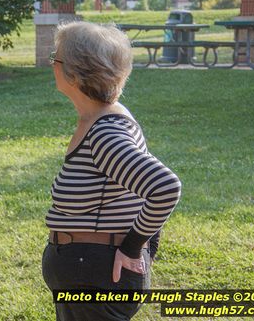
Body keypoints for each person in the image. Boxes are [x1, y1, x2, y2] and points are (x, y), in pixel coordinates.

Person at [42, 22, 181, 321]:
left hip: (95, 277)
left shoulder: (106, 132)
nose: (51, 62)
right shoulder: (99, 122)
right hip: (88, 273)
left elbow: (164, 187)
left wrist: (132, 248)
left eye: (56, 56)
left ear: (75, 74)